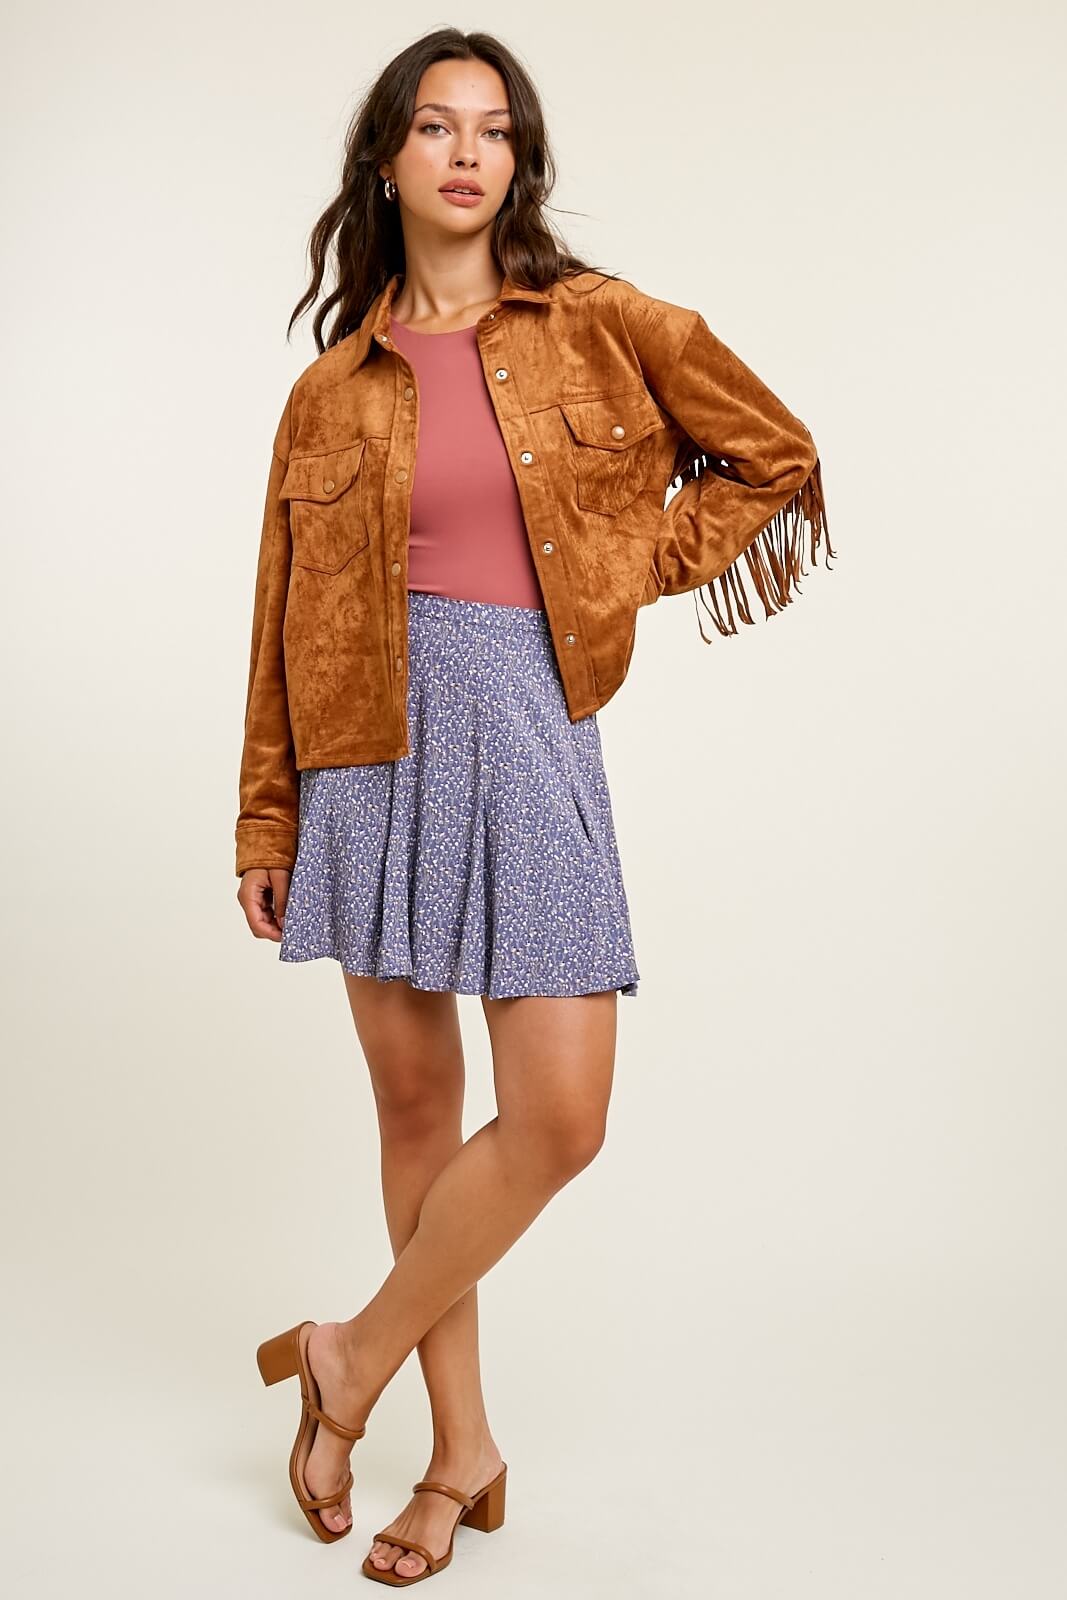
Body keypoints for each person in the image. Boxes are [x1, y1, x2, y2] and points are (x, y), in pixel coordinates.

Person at [237, 26, 832, 1588]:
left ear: (520, 161)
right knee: (419, 1118)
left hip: (526, 732)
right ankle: (462, 1457)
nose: (464, 152)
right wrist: (266, 823)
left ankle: (346, 1358)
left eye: (492, 130)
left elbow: (773, 457)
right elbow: (278, 617)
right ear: (387, 160)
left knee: (561, 1120)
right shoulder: (329, 392)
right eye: (435, 127)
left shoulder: (598, 324)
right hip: (366, 750)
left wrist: (622, 565)